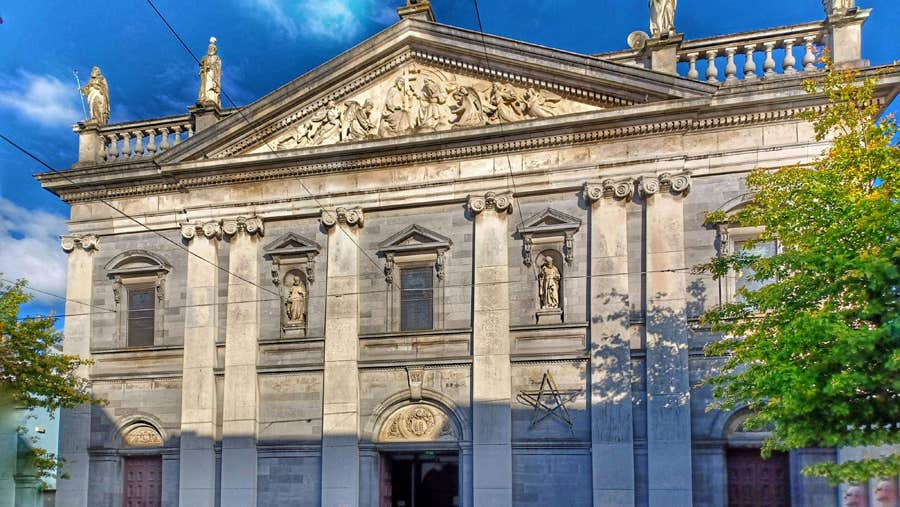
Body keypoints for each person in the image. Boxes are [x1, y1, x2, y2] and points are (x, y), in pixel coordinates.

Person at [198, 37, 222, 107]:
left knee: (211, 86)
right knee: (205, 86)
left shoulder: (217, 58)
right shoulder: (205, 57)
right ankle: (203, 98)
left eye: (212, 49)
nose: (210, 50)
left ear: (215, 50)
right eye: (209, 48)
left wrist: (211, 67)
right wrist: (203, 67)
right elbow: (201, 64)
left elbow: (218, 68)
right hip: (206, 75)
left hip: (212, 75)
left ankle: (211, 98)